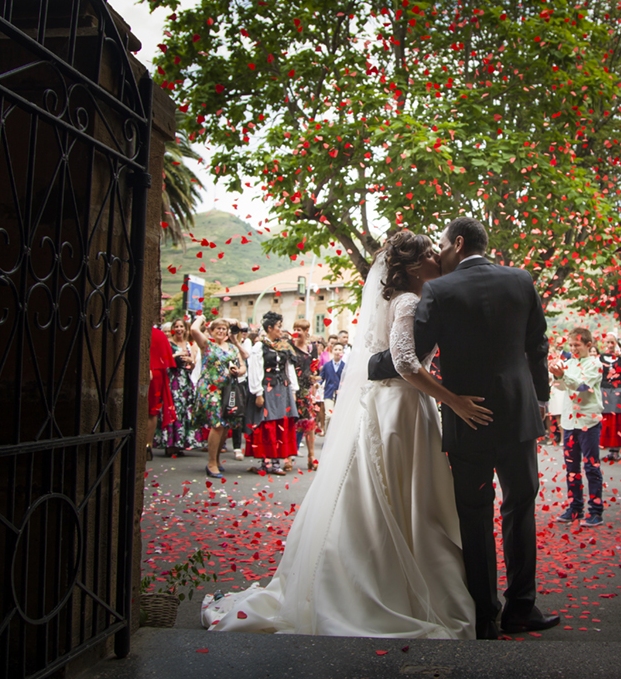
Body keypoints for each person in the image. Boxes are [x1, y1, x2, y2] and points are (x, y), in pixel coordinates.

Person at [201, 230, 488, 638]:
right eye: (427, 254)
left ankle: (371, 573)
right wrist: (453, 400)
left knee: (384, 493)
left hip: (387, 405)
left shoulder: (399, 299)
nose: (435, 258)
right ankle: (391, 583)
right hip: (401, 408)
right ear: (408, 267)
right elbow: (405, 363)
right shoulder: (407, 301)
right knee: (403, 495)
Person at [369, 217, 558, 639]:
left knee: (474, 516)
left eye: (441, 245)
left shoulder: (439, 289)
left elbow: (409, 354)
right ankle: (521, 608)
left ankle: (485, 616)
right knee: (520, 509)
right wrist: (540, 400)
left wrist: (368, 362)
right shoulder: (521, 280)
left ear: (457, 242)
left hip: (466, 418)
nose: (439, 254)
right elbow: (537, 347)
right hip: (517, 417)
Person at [550, 327, 605, 527]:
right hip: (570, 422)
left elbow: (583, 386)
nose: (573, 348)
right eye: (571, 345)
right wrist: (558, 376)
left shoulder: (595, 364)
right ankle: (575, 508)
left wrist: (563, 376)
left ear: (588, 345)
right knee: (572, 468)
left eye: (577, 345)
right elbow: (562, 386)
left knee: (591, 467)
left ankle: (596, 511)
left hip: (588, 421)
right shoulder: (568, 363)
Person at [245, 312, 300, 475]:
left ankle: (276, 462)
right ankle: (266, 461)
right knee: (266, 422)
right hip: (267, 388)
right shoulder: (259, 347)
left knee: (280, 424)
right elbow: (255, 370)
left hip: (282, 388)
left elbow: (288, 369)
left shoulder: (284, 346)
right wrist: (258, 393)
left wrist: (293, 390)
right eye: (278, 327)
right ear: (269, 328)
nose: (281, 330)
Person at [192, 316, 246, 478]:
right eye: (218, 329)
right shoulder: (207, 345)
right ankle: (211, 463)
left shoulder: (232, 348)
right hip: (210, 388)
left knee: (226, 424)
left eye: (224, 329)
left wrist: (238, 370)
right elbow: (194, 330)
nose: (221, 332)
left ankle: (216, 458)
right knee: (217, 425)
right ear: (211, 331)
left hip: (228, 389)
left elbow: (243, 365)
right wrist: (201, 317)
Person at [289, 318, 321, 470]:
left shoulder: (312, 348)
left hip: (306, 388)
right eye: (295, 329)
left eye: (299, 330)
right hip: (292, 387)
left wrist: (314, 383)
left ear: (306, 331)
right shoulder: (289, 347)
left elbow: (314, 367)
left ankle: (311, 456)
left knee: (309, 424)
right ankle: (288, 457)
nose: (296, 332)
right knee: (292, 423)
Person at [598, 338, 621, 461]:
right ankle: (609, 449)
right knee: (606, 420)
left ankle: (616, 450)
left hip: (619, 392)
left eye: (612, 342)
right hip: (605, 391)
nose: (610, 345)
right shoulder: (600, 358)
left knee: (618, 420)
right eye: (608, 342)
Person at [165, 319, 198, 456]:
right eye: (176, 326)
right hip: (173, 379)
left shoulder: (191, 344)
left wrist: (191, 361)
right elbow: (164, 360)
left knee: (185, 410)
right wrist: (176, 355)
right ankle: (170, 444)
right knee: (174, 409)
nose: (179, 329)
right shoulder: (168, 343)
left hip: (185, 379)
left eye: (181, 327)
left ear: (185, 329)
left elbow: (194, 365)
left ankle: (181, 443)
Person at [147, 324, 177, 462]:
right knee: (151, 411)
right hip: (157, 373)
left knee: (148, 411)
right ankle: (147, 446)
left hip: (151, 371)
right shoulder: (159, 334)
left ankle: (144, 445)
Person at [319, 342, 346, 427]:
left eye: (340, 350)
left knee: (338, 416)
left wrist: (343, 388)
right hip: (329, 393)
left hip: (340, 394)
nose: (338, 352)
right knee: (329, 415)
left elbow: (347, 380)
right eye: (336, 349)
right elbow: (321, 377)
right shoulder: (327, 365)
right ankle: (327, 437)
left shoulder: (345, 366)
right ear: (332, 350)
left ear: (342, 352)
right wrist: (317, 384)